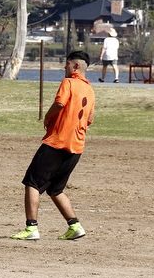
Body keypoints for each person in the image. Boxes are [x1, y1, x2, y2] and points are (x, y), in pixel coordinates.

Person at [11, 50, 96, 241]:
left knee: (32, 183)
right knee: (55, 189)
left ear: (75, 66)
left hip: (57, 142)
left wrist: (48, 117)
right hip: (77, 147)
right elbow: (90, 119)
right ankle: (75, 226)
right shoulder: (90, 90)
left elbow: (59, 104)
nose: (64, 68)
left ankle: (31, 227)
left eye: (66, 64)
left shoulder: (69, 83)